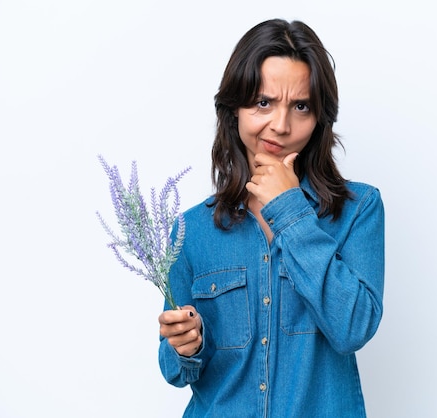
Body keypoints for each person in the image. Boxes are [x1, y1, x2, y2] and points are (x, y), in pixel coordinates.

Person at [158, 18, 384, 417]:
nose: (280, 126)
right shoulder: (190, 231)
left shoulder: (358, 210)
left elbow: (352, 328)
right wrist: (186, 347)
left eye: (300, 106)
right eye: (263, 103)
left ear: (320, 119)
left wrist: (290, 211)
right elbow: (176, 371)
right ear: (234, 111)